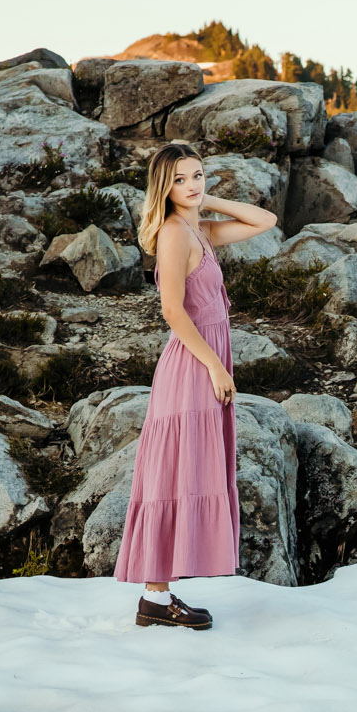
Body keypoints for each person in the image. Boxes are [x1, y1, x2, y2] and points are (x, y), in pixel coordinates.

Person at [114, 143, 280, 629]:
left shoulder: (196, 229)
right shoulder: (172, 234)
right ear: (164, 186)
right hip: (193, 363)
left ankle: (157, 598)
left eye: (198, 175)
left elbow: (263, 220)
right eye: (181, 179)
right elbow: (171, 311)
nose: (192, 185)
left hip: (205, 357)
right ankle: (155, 597)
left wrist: (210, 202)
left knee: (185, 470)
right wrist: (214, 366)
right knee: (172, 472)